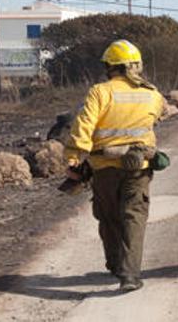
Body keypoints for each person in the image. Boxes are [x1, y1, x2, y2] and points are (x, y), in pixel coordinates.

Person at [64, 39, 165, 292]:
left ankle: (116, 264)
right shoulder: (152, 94)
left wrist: (74, 158)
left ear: (110, 66)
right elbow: (159, 116)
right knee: (134, 218)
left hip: (104, 167)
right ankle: (130, 275)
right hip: (138, 166)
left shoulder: (100, 92)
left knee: (109, 217)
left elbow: (83, 125)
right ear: (136, 66)